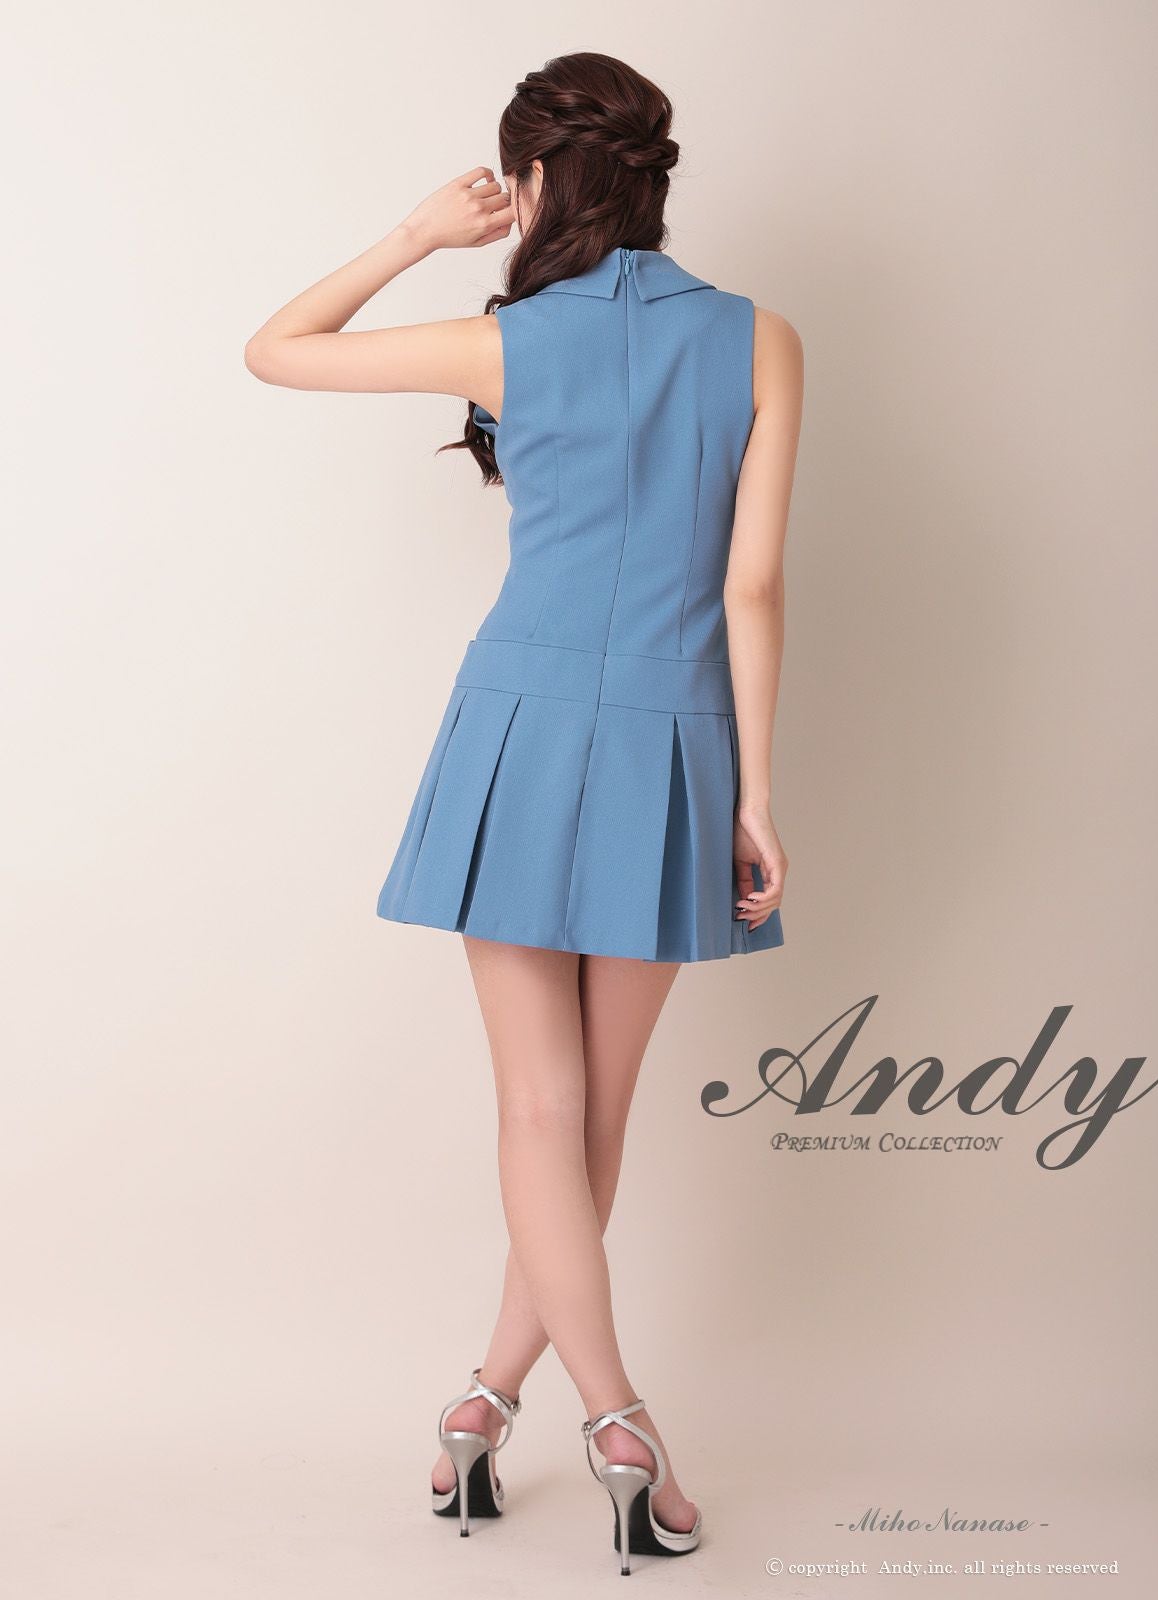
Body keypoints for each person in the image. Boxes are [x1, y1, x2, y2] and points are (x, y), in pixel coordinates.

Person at [245, 50, 803, 1578]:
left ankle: (549, 1410)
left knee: (541, 1119)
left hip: (518, 730)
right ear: (655, 180)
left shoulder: (504, 345)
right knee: (592, 1119)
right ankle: (540, 1408)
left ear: (540, 181)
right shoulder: (761, 340)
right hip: (680, 739)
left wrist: (419, 234)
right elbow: (753, 584)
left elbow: (275, 350)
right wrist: (756, 793)